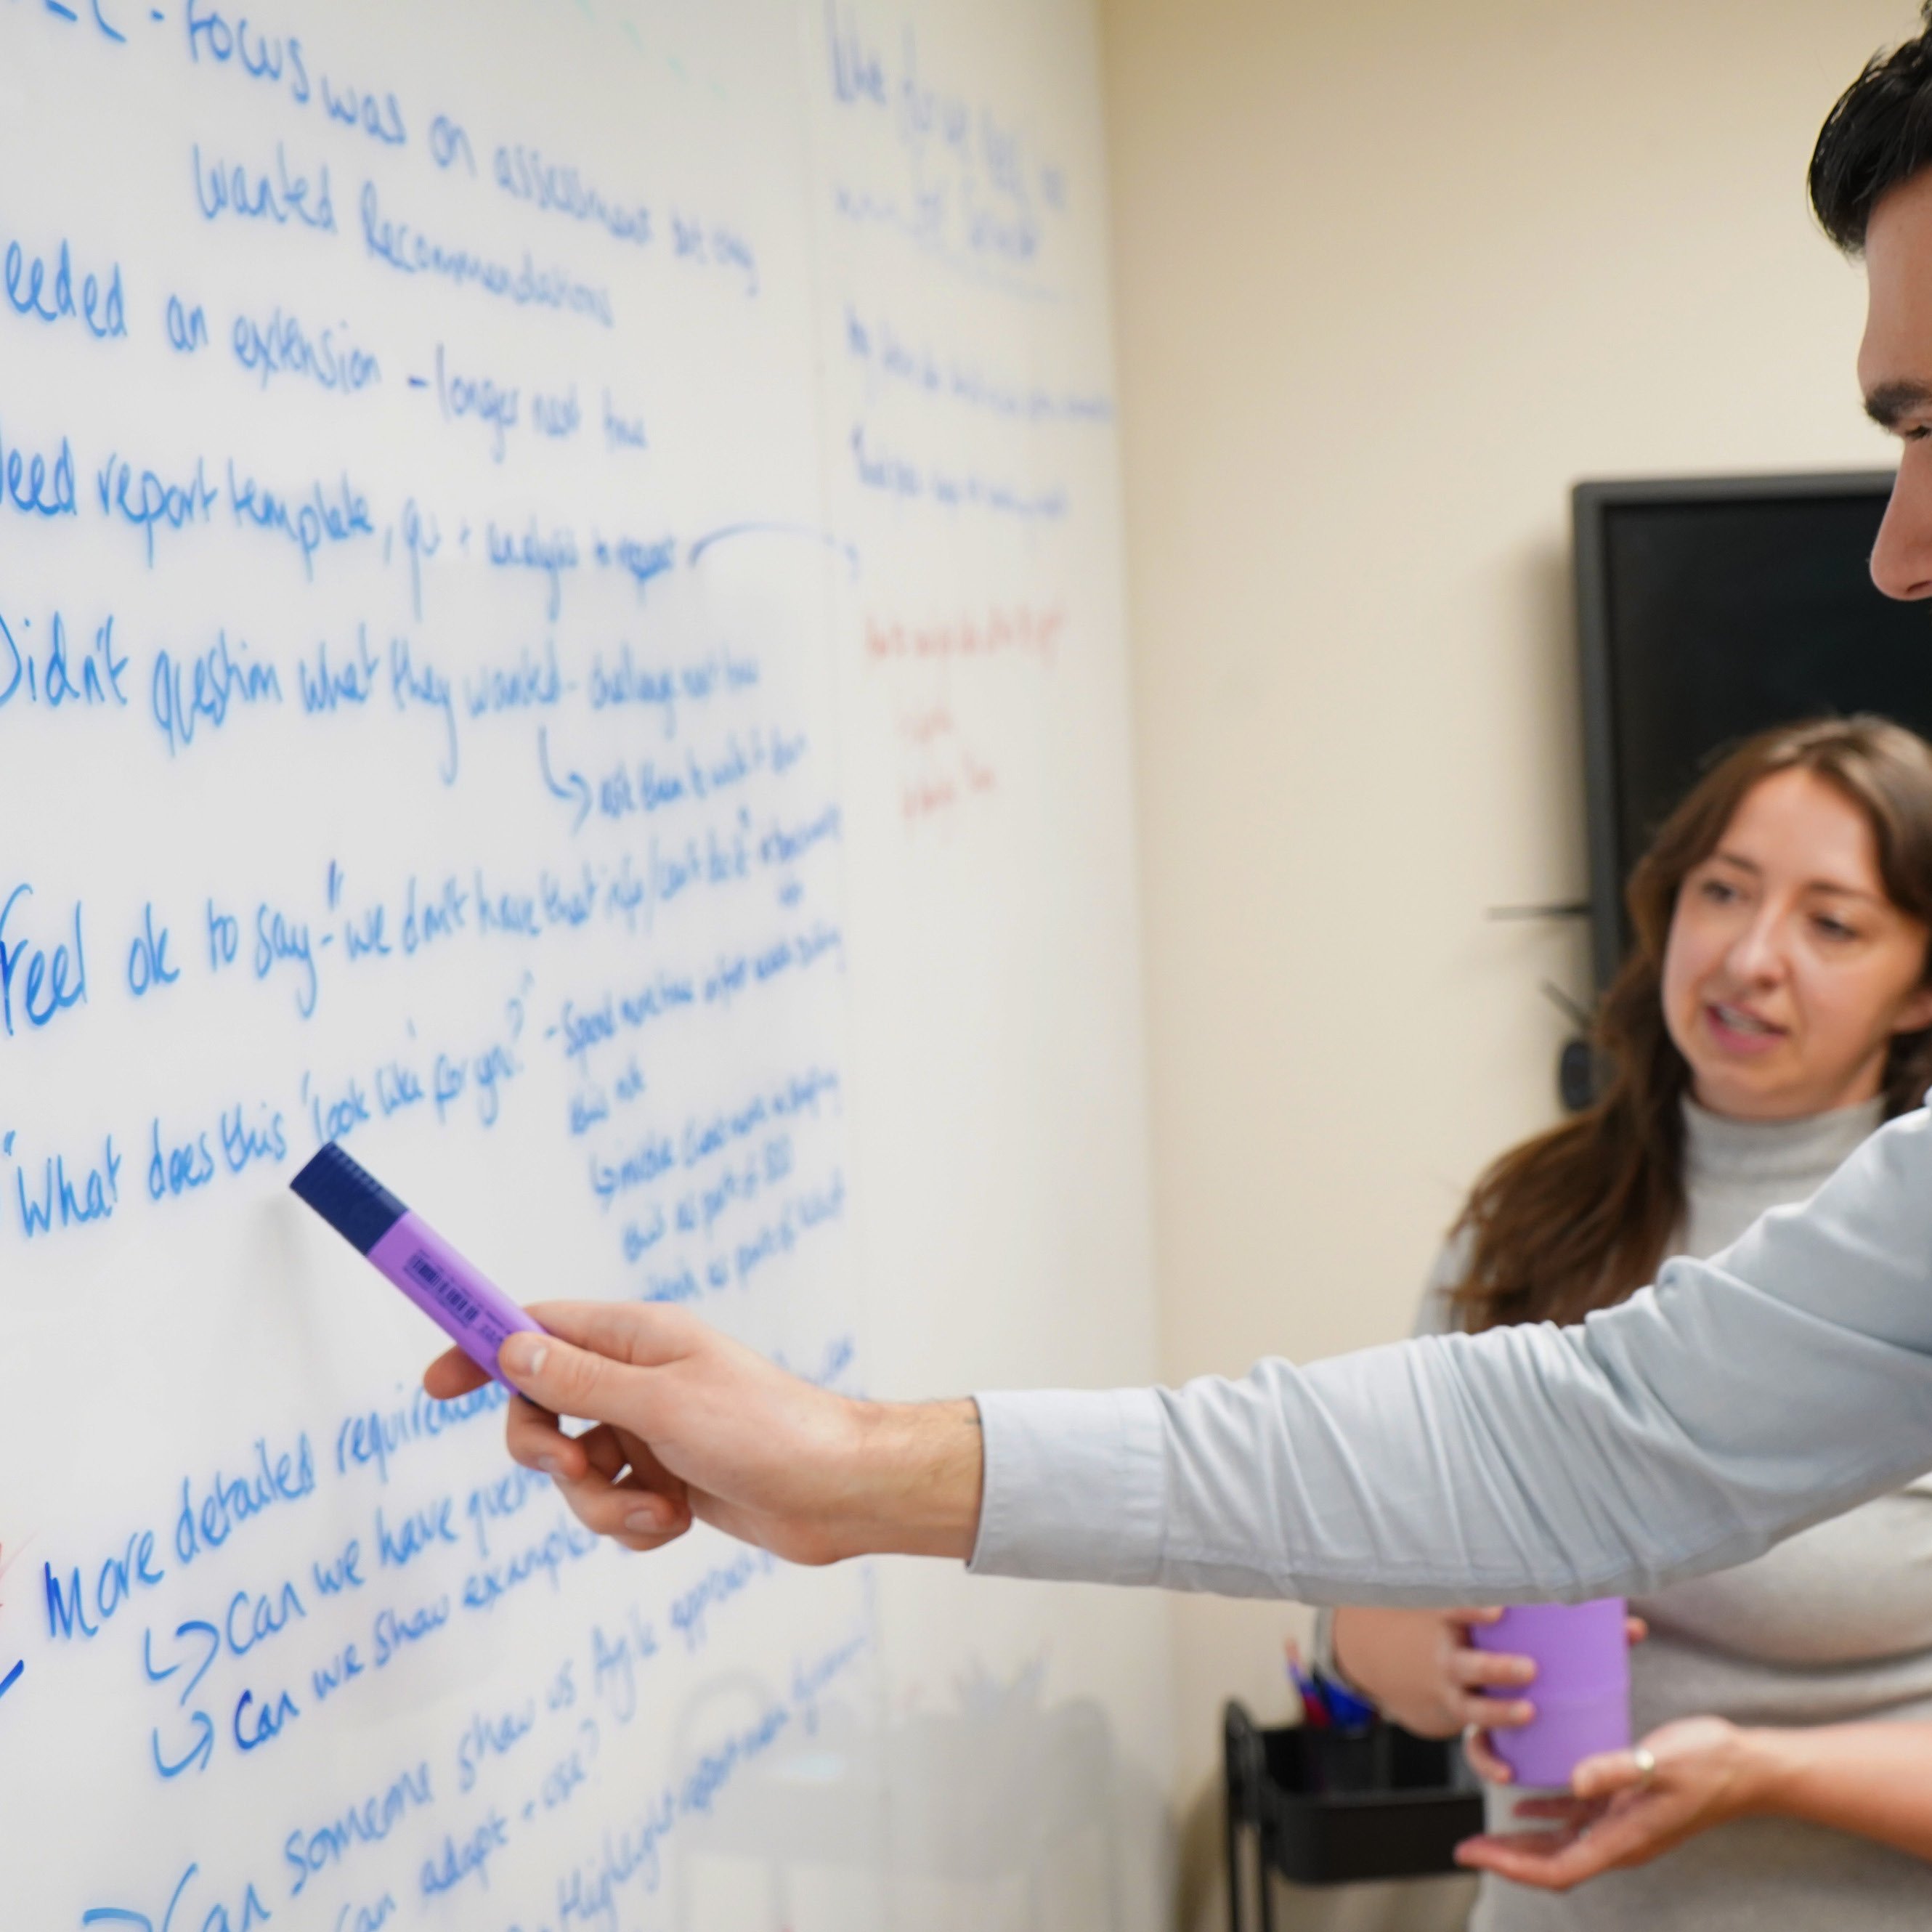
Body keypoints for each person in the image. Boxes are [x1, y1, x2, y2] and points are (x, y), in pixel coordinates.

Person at [426, 0, 1932, 1755]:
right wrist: (854, 1466)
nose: (1895, 551)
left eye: (1833, 917)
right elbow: (1590, 1441)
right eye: (1895, 432)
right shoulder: (1576, 1215)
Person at [1320, 719, 1932, 1925]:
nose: (1751, 957)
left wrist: (1765, 1773)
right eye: (1724, 891)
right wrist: (1439, 1665)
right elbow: (1355, 1602)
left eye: (1832, 923)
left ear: (1922, 987)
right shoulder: (1537, 1212)